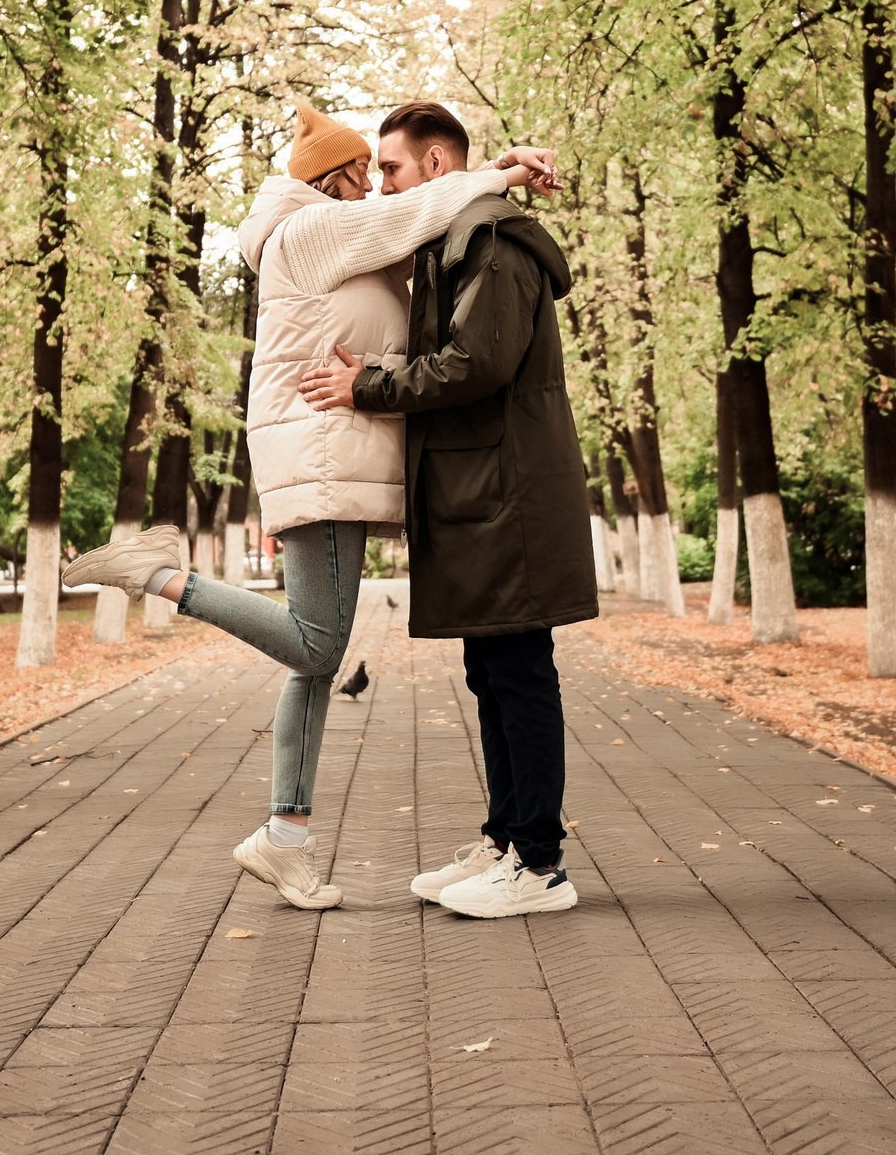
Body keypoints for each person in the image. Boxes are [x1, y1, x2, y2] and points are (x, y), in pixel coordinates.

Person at [62, 102, 555, 909]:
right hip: (325, 460)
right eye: (364, 174)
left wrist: (494, 170)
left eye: (379, 173)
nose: (373, 190)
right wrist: (498, 172)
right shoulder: (307, 231)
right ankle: (161, 576)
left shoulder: (333, 240)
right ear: (333, 178)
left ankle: (284, 840)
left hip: (334, 461)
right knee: (318, 645)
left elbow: (423, 225)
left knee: (312, 660)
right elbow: (418, 209)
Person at [299, 101, 598, 919]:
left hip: (509, 495)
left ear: (437, 168)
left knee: (519, 674)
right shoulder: (453, 241)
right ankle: (507, 840)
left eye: (390, 169)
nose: (380, 187)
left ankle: (539, 865)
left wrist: (368, 386)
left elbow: (475, 363)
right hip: (482, 493)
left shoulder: (491, 245)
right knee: (493, 672)